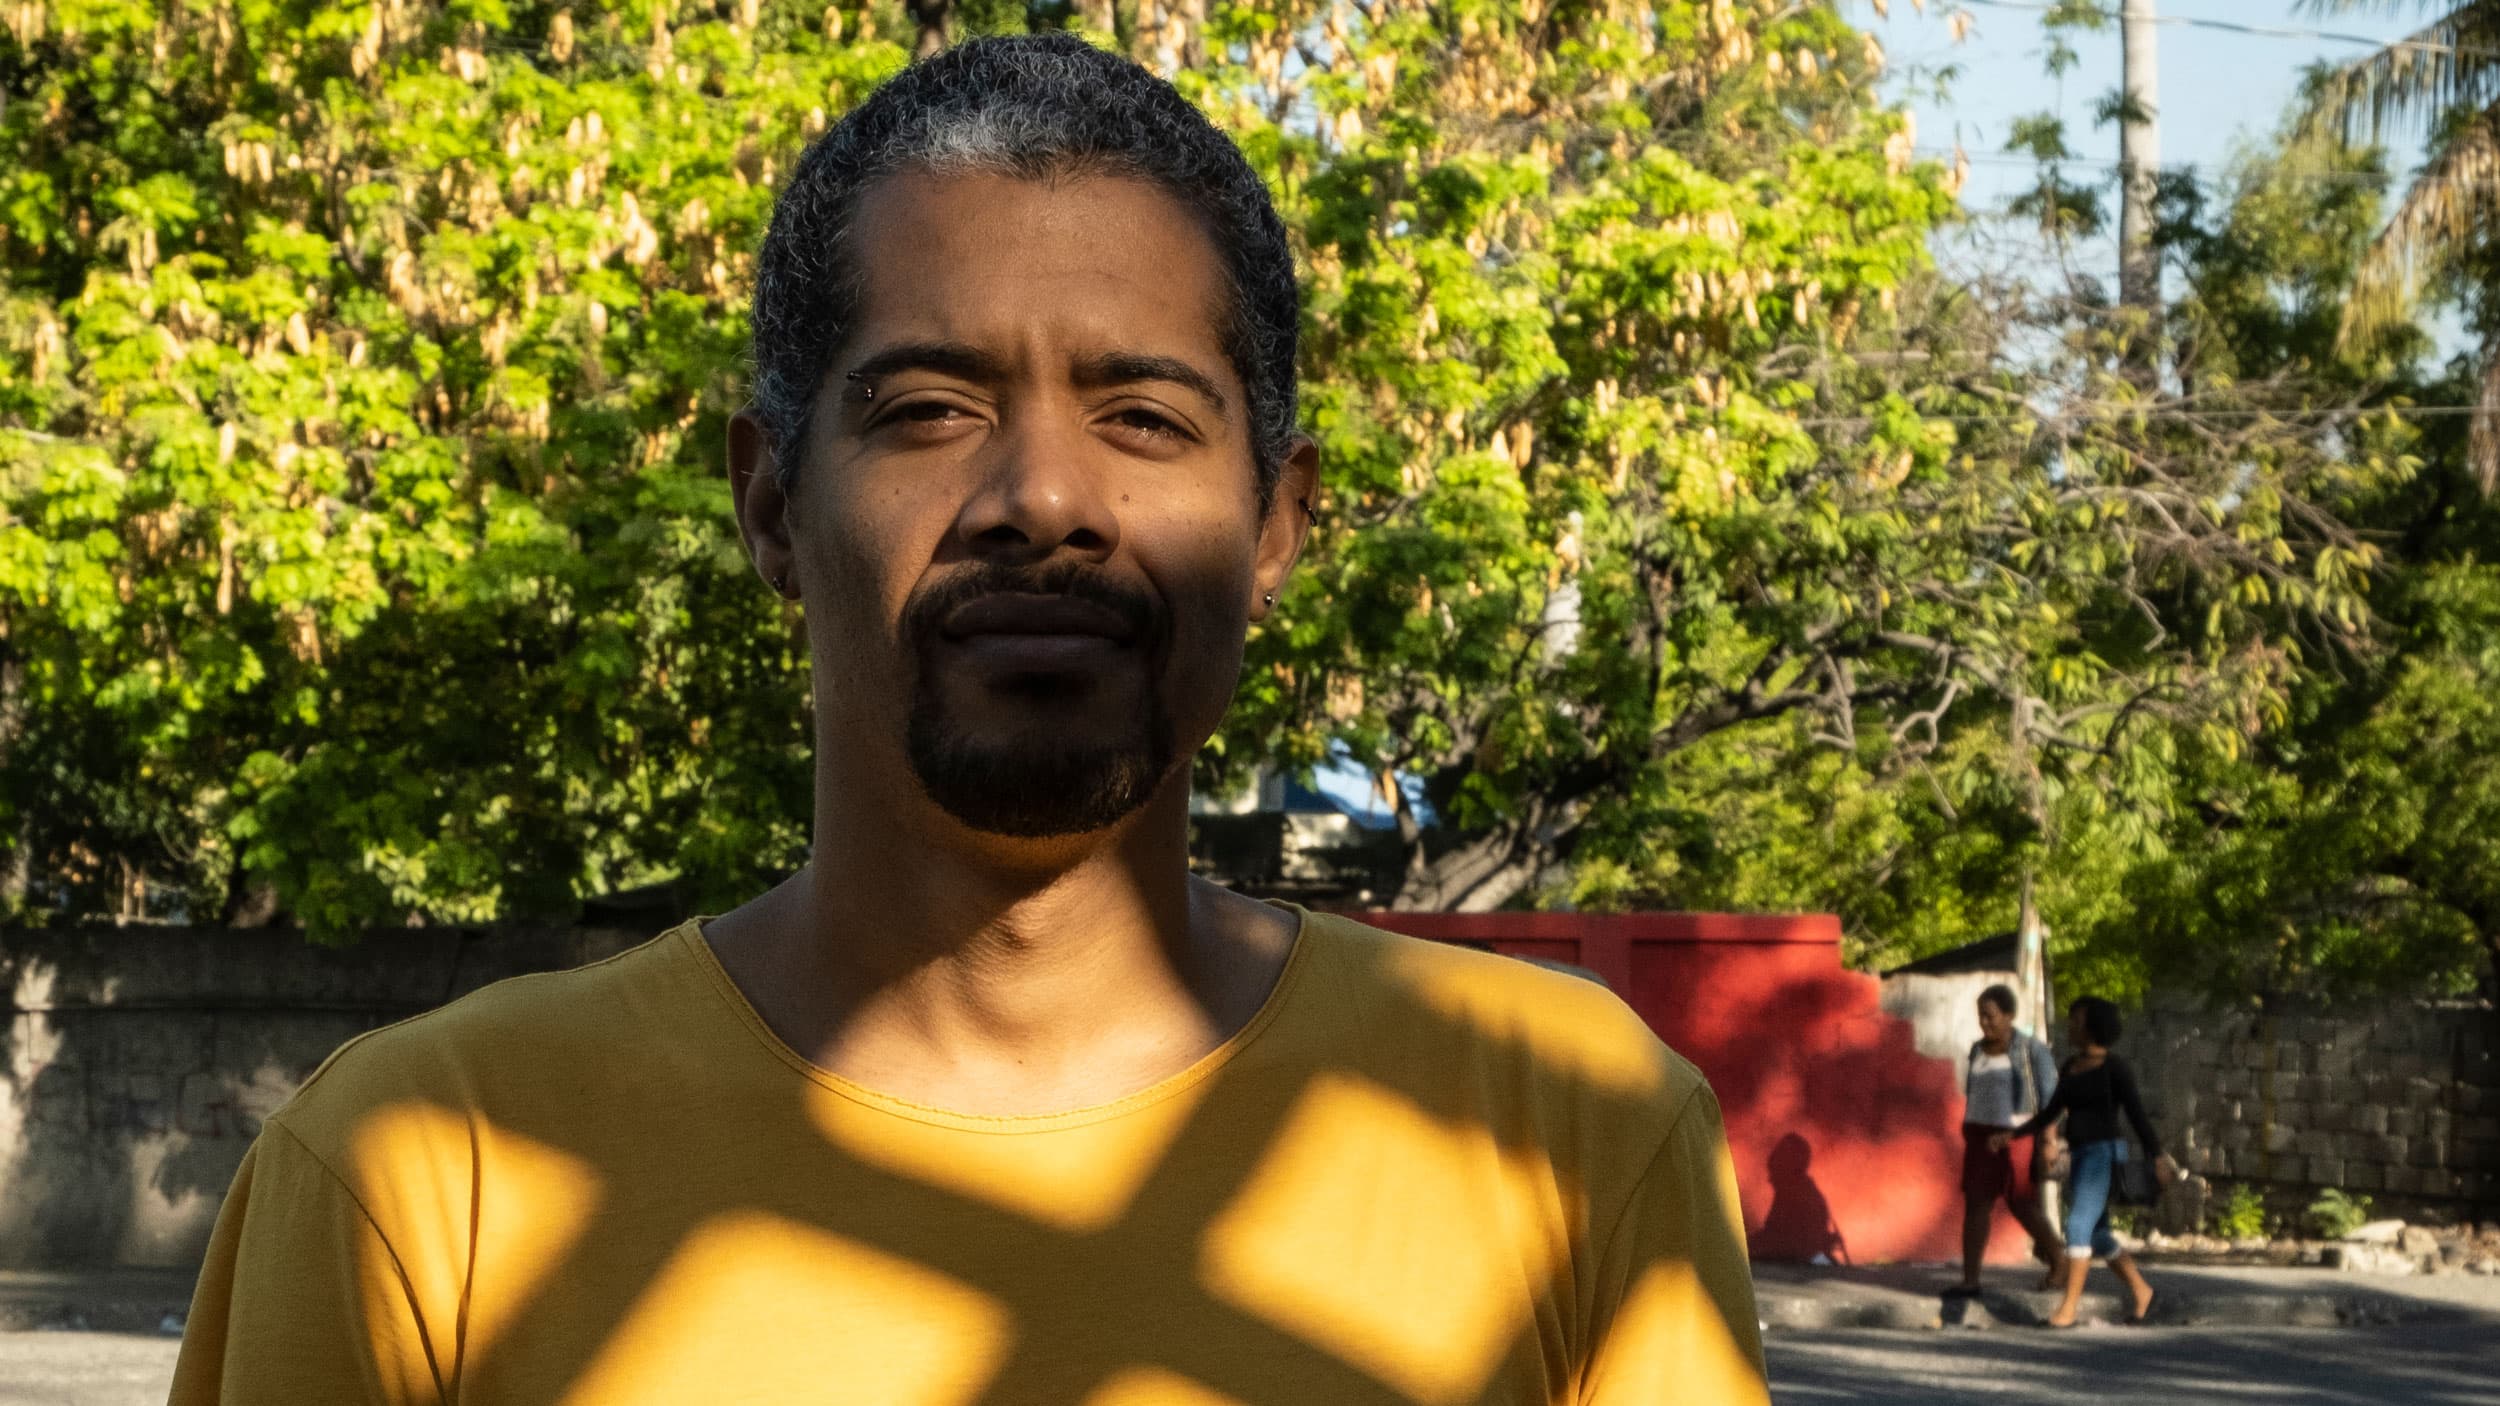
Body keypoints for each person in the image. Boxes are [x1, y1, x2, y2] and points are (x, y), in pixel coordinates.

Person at [168, 34, 1767, 1405]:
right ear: (773, 506)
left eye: (1144, 415)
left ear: (1276, 523)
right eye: (929, 409)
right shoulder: (418, 1177)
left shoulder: (1566, 1130)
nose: (1045, 497)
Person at [1994, 996, 2174, 1328]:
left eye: (2077, 1019)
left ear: (2094, 1026)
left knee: (2076, 1227)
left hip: (2104, 1154)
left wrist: (2158, 1156)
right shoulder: (2071, 1067)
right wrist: (2014, 1134)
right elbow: (2052, 1112)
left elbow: (2137, 1116)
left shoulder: (2115, 1068)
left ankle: (2068, 1310)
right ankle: (2143, 1292)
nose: (2071, 1025)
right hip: (2080, 1156)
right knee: (2097, 1234)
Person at [1947, 984, 2065, 1296]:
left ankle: (2059, 1259)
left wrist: (2049, 1140)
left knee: (2022, 1203)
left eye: (1991, 1016)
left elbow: (2052, 1099)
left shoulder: (2031, 1051)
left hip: (2017, 1136)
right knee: (1976, 1204)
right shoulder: (1976, 1050)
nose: (1985, 1023)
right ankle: (1970, 1280)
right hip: (1980, 1137)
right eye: (1981, 1016)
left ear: (2009, 1015)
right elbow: (1974, 1093)